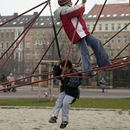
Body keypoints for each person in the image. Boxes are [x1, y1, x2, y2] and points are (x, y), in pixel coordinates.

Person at [54, 0, 111, 76]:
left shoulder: (70, 9)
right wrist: (82, 3)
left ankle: (104, 63)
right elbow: (77, 11)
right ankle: (88, 71)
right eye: (69, 1)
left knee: (97, 42)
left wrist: (82, 4)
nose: (71, 2)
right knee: (85, 51)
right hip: (76, 34)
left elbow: (80, 11)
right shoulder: (64, 11)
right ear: (66, 2)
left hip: (82, 32)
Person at [49, 60, 82, 129]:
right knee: (58, 102)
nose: (63, 70)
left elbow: (74, 83)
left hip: (72, 92)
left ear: (68, 67)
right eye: (62, 68)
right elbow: (56, 75)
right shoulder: (63, 72)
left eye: (65, 68)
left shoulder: (74, 72)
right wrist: (57, 67)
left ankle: (65, 120)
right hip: (64, 90)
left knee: (65, 103)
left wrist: (65, 78)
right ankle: (54, 116)